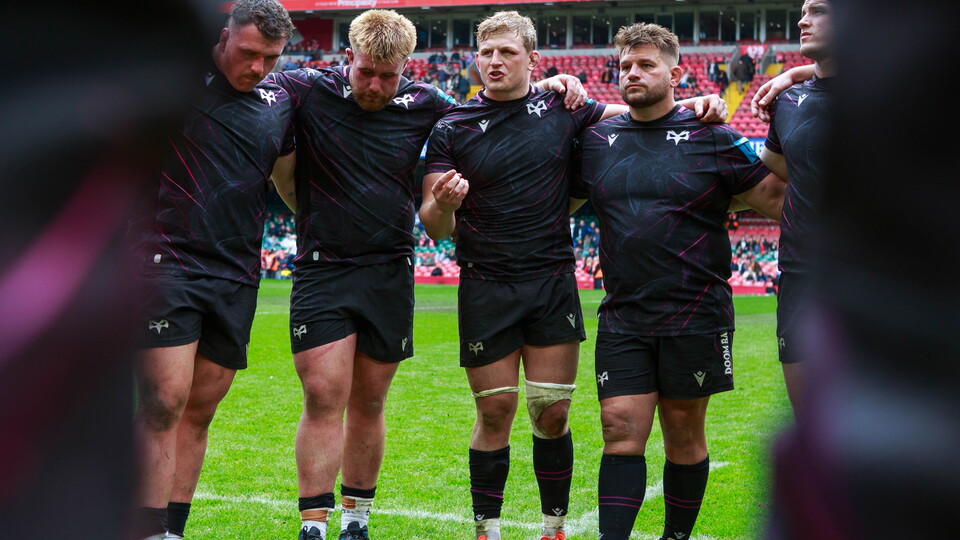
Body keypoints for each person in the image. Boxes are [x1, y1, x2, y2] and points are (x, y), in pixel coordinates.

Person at [270, 10, 586, 540]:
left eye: (388, 76)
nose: (375, 84)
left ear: (407, 69)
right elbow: (248, 86)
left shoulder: (429, 107)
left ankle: (356, 519)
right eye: (366, 71)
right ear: (349, 57)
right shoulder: (303, 89)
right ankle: (313, 524)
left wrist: (550, 85)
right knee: (324, 394)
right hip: (323, 267)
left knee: (370, 401)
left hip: (390, 267)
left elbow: (494, 112)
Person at [419, 11, 727, 540]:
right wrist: (443, 205)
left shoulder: (566, 109)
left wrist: (702, 104)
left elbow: (640, 116)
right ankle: (485, 529)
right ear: (476, 57)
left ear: (533, 60)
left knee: (552, 414)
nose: (495, 61)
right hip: (485, 284)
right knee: (495, 413)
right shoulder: (452, 126)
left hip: (551, 282)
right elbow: (435, 226)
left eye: (507, 52)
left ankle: (553, 526)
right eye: (486, 52)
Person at [571, 22, 786, 540]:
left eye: (646, 64)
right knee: (619, 428)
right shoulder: (596, 141)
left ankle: (676, 537)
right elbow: (556, 202)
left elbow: (778, 200)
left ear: (676, 73)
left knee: (684, 433)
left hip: (696, 311)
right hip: (623, 314)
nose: (633, 73)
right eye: (625, 65)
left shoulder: (711, 136)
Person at [131, 1, 296, 539]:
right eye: (249, 53)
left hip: (236, 274)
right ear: (223, 37)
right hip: (166, 263)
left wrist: (559, 87)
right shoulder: (172, 77)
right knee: (164, 402)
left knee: (199, 410)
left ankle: (171, 531)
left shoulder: (282, 99)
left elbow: (358, 85)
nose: (257, 68)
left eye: (270, 58)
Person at [752, 0, 834, 414]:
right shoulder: (787, 102)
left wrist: (793, 70)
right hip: (800, 275)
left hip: (878, 277)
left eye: (818, 10)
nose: (802, 20)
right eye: (802, 11)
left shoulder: (898, 91)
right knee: (811, 427)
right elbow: (777, 171)